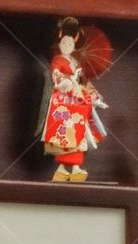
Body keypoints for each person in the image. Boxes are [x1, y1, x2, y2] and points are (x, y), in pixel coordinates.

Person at [40, 17, 107, 182]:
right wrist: (69, 83)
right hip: (63, 101)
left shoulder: (76, 62)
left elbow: (83, 82)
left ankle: (68, 169)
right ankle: (67, 168)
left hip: (77, 101)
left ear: (75, 44)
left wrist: (94, 96)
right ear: (59, 43)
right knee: (66, 133)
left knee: (79, 132)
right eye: (64, 43)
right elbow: (56, 77)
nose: (66, 46)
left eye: (70, 44)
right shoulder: (57, 61)